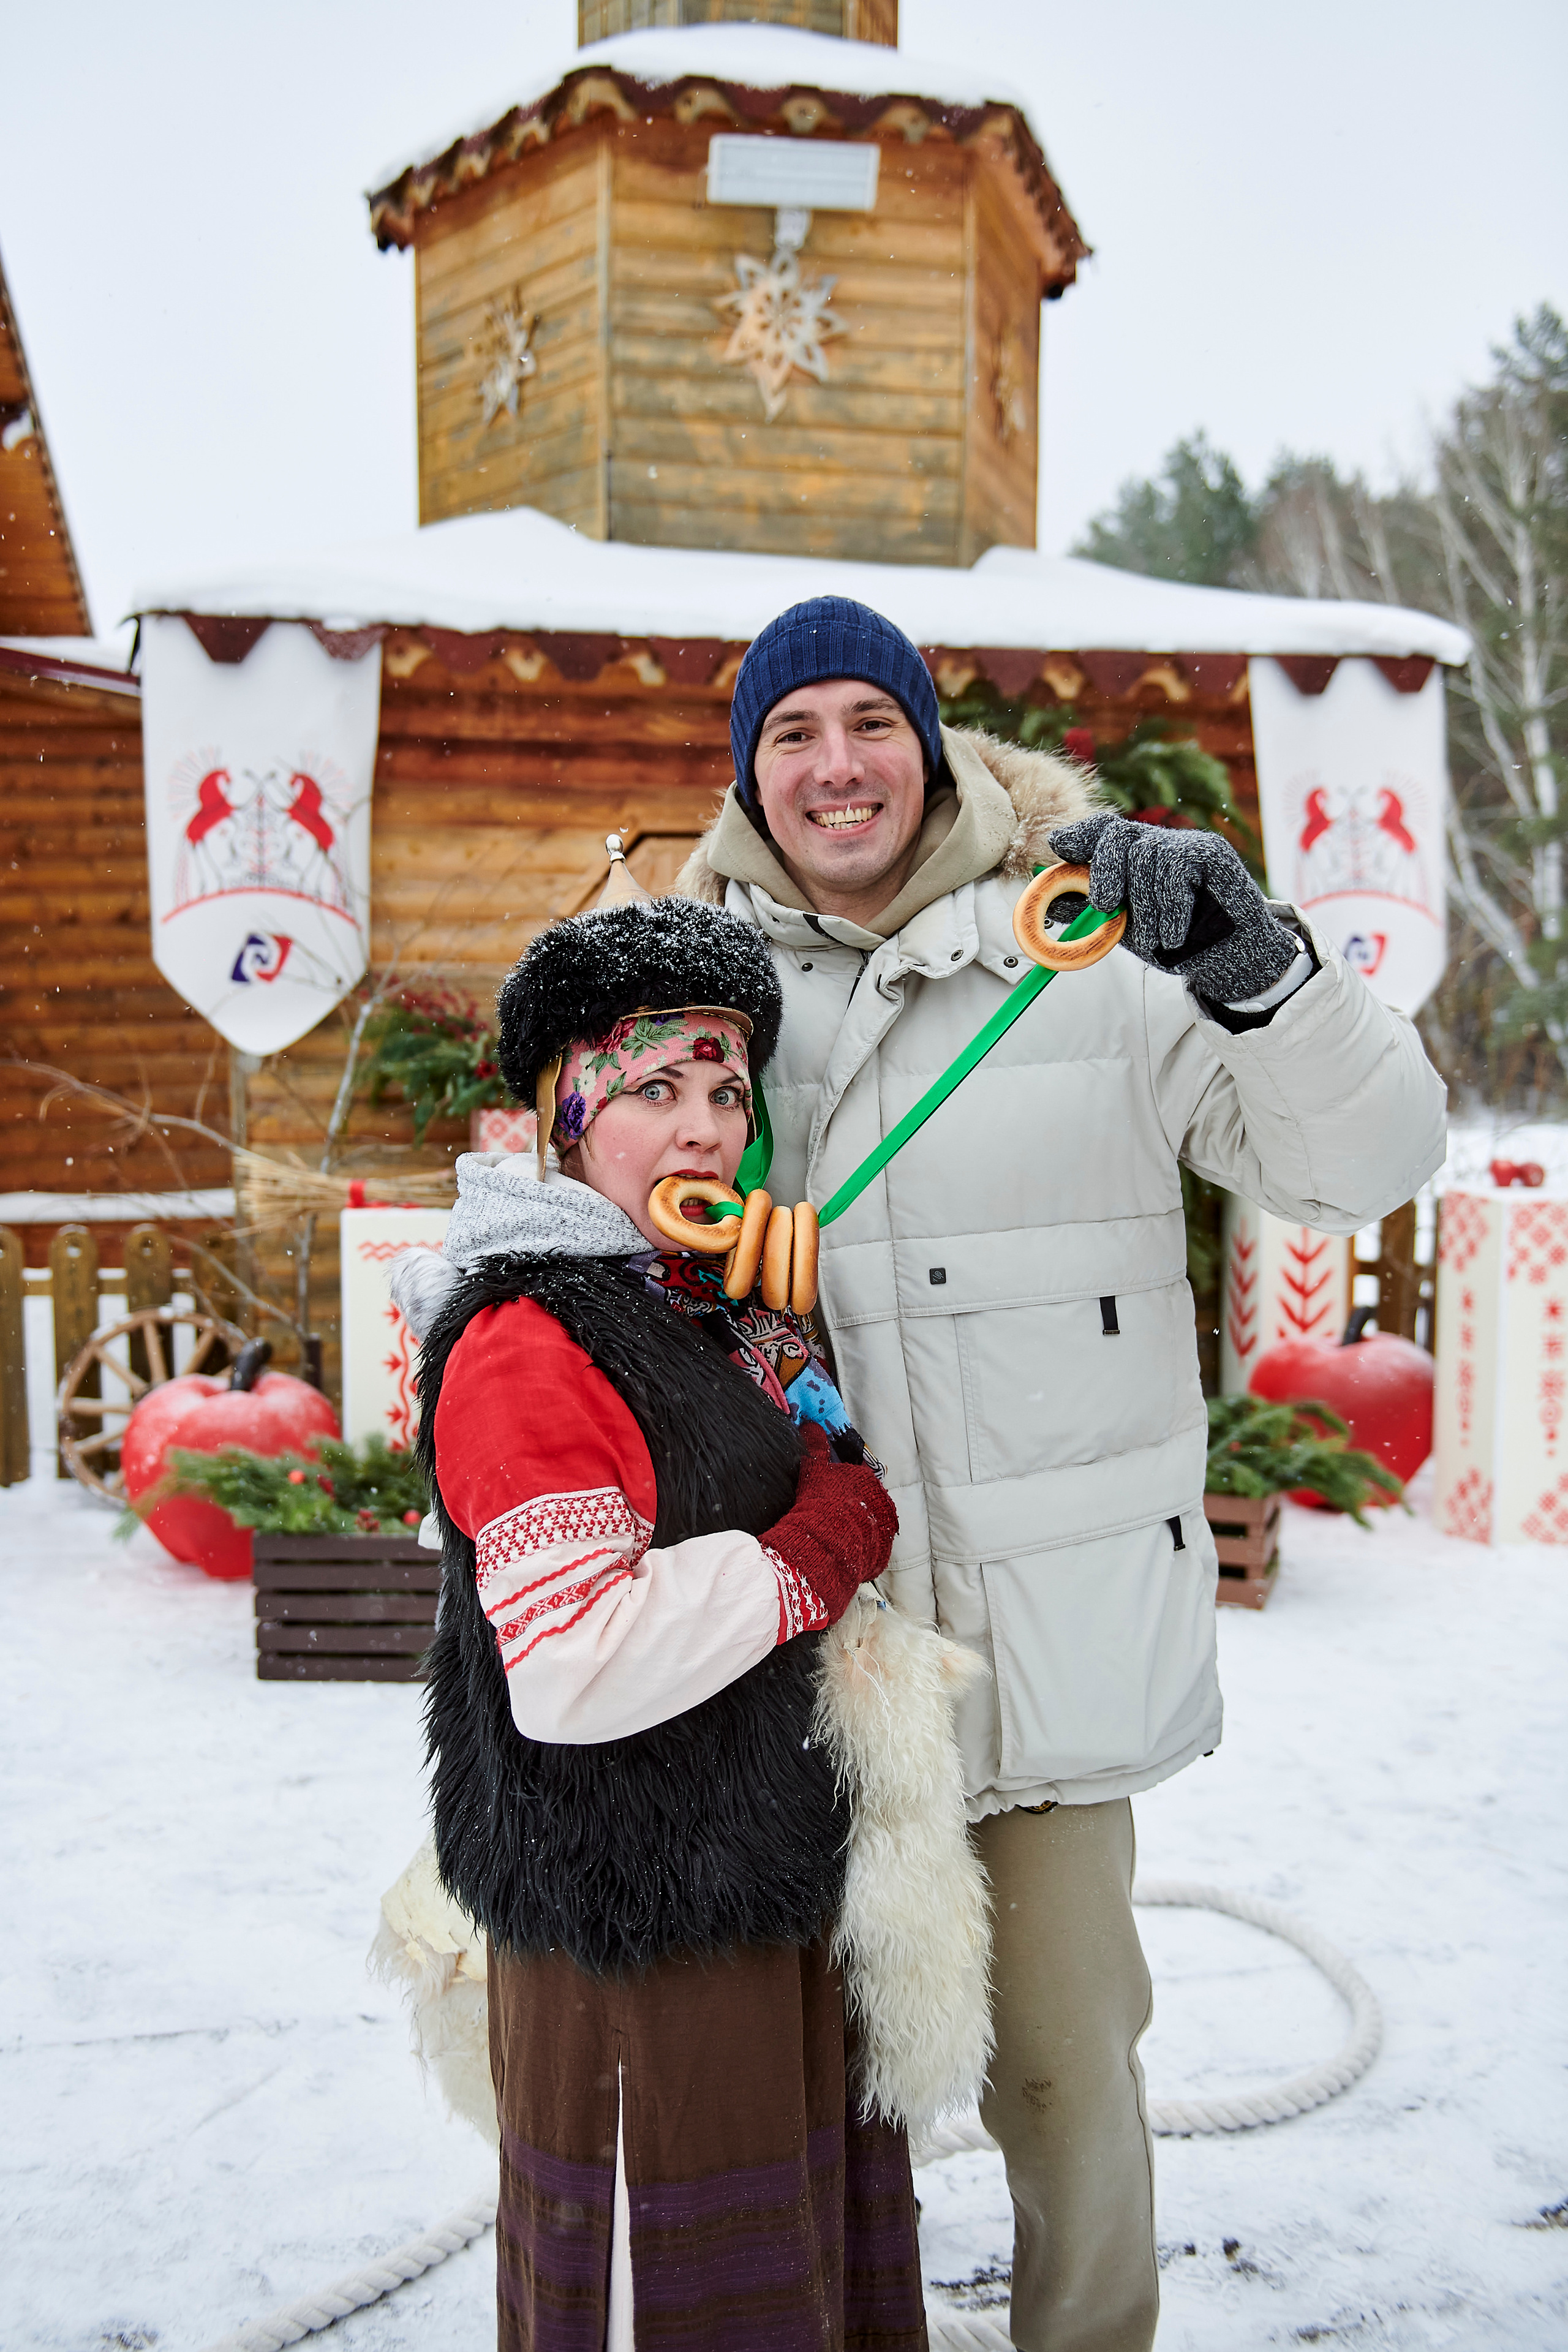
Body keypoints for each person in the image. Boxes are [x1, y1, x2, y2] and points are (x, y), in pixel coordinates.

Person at [674, 596, 1448, 2352]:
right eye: (791, 735)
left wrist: (1259, 969)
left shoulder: (1089, 951)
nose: (836, 765)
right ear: (749, 774)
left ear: (931, 745)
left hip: (1043, 1636)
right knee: (785, 2078)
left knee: (1065, 2065)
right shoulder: (681, 979)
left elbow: (1369, 1162)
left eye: (870, 720)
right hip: (785, 1636)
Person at [392, 895, 989, 2352]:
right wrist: (807, 1554)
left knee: (793, 2272)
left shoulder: (691, 1299)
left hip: (757, 1875)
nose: (703, 1128)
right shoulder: (530, 1337)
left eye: (724, 1091)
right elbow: (574, 1665)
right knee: (673, 2297)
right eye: (654, 1089)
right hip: (628, 1927)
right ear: (567, 1111)